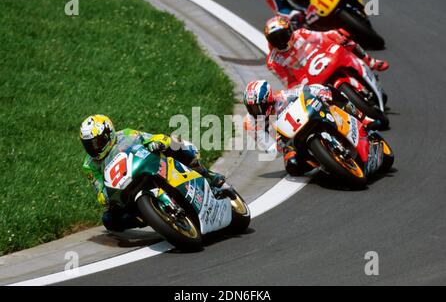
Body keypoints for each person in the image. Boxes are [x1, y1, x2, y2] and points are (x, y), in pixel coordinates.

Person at [80, 115, 225, 232]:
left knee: (172, 143)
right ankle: (150, 216)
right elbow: (98, 186)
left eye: (97, 142)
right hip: (124, 188)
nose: (93, 148)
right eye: (88, 144)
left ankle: (207, 174)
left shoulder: (126, 134)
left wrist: (158, 142)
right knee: (108, 220)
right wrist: (103, 196)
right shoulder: (89, 165)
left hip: (149, 166)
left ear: (108, 134)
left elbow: (149, 138)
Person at [243, 80, 372, 176]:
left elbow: (304, 90)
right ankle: (325, 164)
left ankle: (362, 117)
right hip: (288, 142)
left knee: (329, 90)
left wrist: (321, 92)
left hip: (306, 120)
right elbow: (270, 148)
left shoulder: (281, 97)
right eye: (251, 107)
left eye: (258, 106)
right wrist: (280, 145)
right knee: (292, 166)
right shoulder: (250, 123)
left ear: (269, 99)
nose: (255, 111)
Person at [264, 16, 389, 88]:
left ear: (290, 30)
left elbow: (323, 36)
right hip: (306, 78)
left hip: (321, 59)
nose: (280, 41)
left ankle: (370, 61)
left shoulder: (301, 33)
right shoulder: (273, 61)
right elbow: (287, 82)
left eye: (282, 36)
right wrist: (298, 87)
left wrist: (336, 36)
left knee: (338, 34)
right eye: (274, 39)